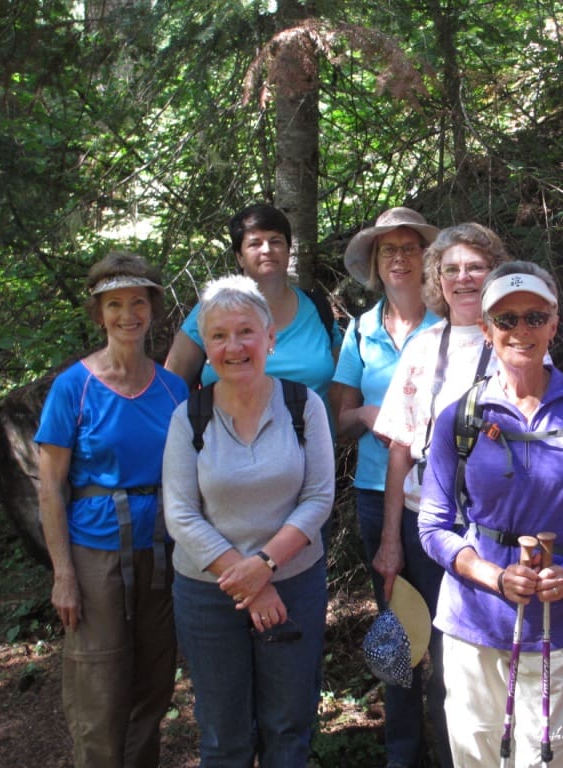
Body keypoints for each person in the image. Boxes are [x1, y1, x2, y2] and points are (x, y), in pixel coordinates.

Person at [418, 261, 563, 766]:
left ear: (554, 324)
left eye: (535, 317)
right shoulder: (461, 417)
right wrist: (491, 575)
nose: (521, 330)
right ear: (486, 328)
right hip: (474, 623)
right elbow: (432, 524)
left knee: (552, 757)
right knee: (478, 753)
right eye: (506, 318)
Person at [162, 275, 335, 767]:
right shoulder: (188, 417)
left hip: (295, 584)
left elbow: (318, 497)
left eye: (245, 332)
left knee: (289, 726)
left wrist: (264, 566)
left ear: (270, 338)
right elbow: (180, 513)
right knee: (224, 734)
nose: (233, 347)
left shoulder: (304, 405)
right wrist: (250, 583)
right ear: (206, 346)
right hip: (208, 595)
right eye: (218, 336)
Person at [36, 251, 189, 768]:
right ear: (99, 314)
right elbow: (50, 487)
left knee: (153, 681)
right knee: (98, 682)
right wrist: (63, 574)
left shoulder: (172, 388)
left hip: (161, 553)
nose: (128, 314)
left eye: (138, 302)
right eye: (115, 304)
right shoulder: (73, 388)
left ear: (153, 309)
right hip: (95, 555)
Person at [371, 222, 511, 767]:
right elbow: (399, 448)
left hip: (491, 531)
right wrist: (390, 540)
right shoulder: (423, 347)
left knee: (478, 661)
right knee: (411, 651)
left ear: (494, 272)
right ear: (437, 279)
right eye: (451, 269)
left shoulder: (518, 340)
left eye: (475, 267)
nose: (463, 278)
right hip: (421, 522)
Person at [330, 207, 441, 768]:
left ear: (427, 259)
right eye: (388, 250)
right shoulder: (360, 331)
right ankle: (403, 755)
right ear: (375, 263)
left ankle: (454, 751)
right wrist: (370, 414)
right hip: (377, 495)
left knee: (446, 633)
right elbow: (338, 421)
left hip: (442, 498)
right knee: (399, 630)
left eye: (409, 247)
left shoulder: (450, 325)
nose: (399, 258)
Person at [165, 202, 342, 412]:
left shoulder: (318, 309)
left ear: (288, 251)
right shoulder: (212, 311)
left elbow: (342, 391)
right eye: (255, 244)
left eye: (275, 241)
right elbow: (170, 388)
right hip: (226, 432)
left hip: (312, 432)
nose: (267, 250)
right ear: (240, 257)